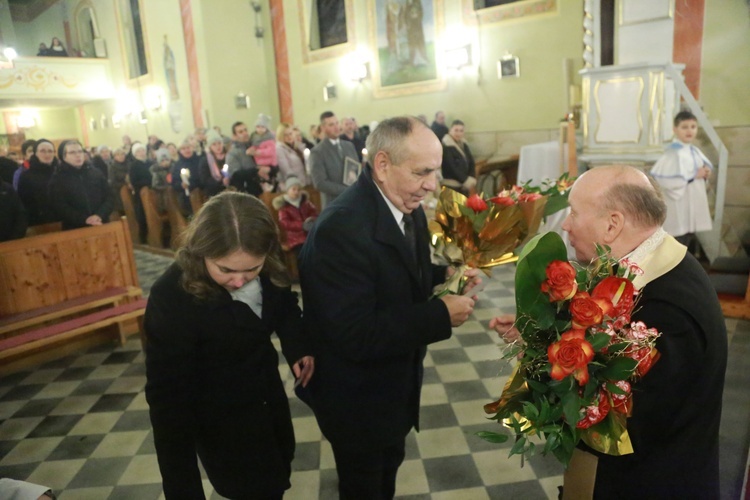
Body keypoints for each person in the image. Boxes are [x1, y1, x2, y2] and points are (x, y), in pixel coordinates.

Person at [491, 165, 727, 499]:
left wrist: (550, 382)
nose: (567, 225)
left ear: (612, 225)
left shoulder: (666, 308)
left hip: (653, 483)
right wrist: (541, 339)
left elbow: (623, 425)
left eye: (573, 212)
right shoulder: (639, 267)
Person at [298, 116, 478, 499]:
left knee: (386, 479)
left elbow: (397, 273)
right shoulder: (341, 228)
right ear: (382, 165)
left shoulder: (402, 202)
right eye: (422, 172)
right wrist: (440, 315)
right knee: (365, 487)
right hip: (357, 400)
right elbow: (354, 333)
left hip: (390, 389)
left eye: (436, 171)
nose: (432, 184)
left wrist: (444, 273)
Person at [144, 191, 314, 499]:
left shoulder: (268, 263)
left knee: (277, 478)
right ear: (201, 251)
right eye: (226, 270)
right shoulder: (171, 296)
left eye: (251, 269)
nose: (240, 281)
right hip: (223, 424)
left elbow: (284, 307)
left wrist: (297, 347)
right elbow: (167, 402)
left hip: (269, 404)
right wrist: (184, 491)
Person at [650, 110, 713, 250]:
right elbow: (665, 180)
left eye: (693, 126)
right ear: (675, 129)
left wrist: (705, 173)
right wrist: (694, 175)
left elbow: (702, 170)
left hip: (692, 203)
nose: (689, 130)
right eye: (684, 127)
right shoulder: (672, 153)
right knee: (677, 241)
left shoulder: (694, 151)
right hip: (678, 204)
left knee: (689, 237)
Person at [48, 140, 113, 230]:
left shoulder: (95, 173)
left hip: (101, 223)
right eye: (72, 152)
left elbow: (109, 197)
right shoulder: (58, 179)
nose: (78, 155)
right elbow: (59, 206)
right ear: (63, 157)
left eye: (80, 151)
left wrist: (99, 215)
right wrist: (84, 219)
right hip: (75, 228)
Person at [309, 111, 359, 207]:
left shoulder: (349, 145)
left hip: (353, 201)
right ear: (323, 128)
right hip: (334, 203)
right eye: (331, 125)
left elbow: (356, 168)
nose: (336, 127)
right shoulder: (318, 152)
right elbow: (320, 183)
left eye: (337, 123)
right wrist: (346, 190)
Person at [17, 139, 59, 226]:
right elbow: (24, 202)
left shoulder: (61, 172)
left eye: (50, 151)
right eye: (42, 151)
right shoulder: (26, 176)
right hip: (39, 222)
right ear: (35, 153)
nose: (47, 154)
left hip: (63, 218)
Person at [273, 176, 318, 258]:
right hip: (296, 239)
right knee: (303, 254)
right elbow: (284, 223)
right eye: (293, 189)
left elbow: (314, 212)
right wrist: (302, 225)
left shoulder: (305, 202)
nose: (296, 192)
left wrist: (312, 220)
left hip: (310, 233)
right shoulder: (284, 206)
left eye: (298, 189)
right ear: (288, 190)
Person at [440, 119, 476, 195]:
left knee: (464, 206)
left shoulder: (464, 144)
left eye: (461, 131)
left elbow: (471, 161)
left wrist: (472, 177)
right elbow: (451, 167)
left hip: (463, 185)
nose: (458, 133)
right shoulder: (446, 146)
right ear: (450, 130)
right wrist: (466, 180)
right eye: (456, 130)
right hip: (451, 186)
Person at [276, 122, 310, 189]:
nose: (289, 137)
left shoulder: (298, 146)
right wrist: (296, 183)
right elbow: (286, 169)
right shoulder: (279, 149)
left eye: (290, 134)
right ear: (280, 136)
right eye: (285, 135)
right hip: (292, 185)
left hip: (306, 182)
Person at [109, 147, 129, 216]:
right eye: (118, 155)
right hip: (119, 193)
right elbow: (112, 182)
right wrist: (125, 184)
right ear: (114, 157)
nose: (121, 156)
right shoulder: (112, 167)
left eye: (122, 154)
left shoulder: (128, 164)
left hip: (130, 192)